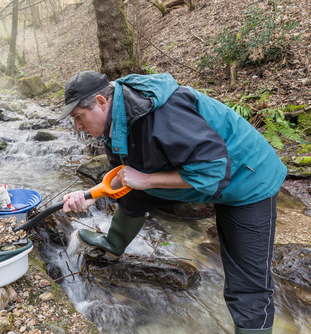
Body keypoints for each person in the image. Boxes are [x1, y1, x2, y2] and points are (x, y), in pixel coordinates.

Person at [58, 71, 287, 334]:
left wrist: (146, 180)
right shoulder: (115, 121)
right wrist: (88, 196)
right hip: (201, 176)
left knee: (247, 284)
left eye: (78, 117)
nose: (76, 126)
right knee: (135, 186)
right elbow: (121, 178)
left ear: (101, 102)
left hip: (248, 179)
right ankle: (114, 244)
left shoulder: (163, 114)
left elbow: (212, 171)